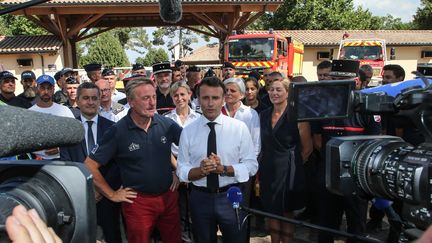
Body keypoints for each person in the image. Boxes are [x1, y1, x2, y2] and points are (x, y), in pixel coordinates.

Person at [84, 79, 182, 243]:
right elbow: (90, 165)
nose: (152, 103)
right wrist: (112, 194)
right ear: (130, 101)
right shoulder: (117, 131)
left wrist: (179, 172)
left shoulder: (167, 124)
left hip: (168, 198)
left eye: (153, 97)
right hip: (137, 203)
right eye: (145, 98)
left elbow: (191, 146)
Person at [176, 76, 258, 243]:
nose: (210, 103)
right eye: (205, 98)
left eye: (215, 98)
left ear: (223, 99)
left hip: (231, 195)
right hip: (200, 198)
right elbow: (181, 169)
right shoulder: (188, 131)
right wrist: (200, 171)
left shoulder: (238, 128)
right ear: (198, 99)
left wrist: (225, 169)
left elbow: (251, 165)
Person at [314, 60, 381, 243]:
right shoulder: (322, 107)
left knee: (356, 229)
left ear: (357, 82)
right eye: (334, 78)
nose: (337, 83)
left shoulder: (368, 107)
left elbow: (373, 143)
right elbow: (317, 140)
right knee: (325, 227)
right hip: (328, 176)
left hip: (356, 179)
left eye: (343, 80)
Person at [60, 82, 122, 243]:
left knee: (112, 236)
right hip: (79, 198)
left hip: (107, 197)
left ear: (100, 100)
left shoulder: (112, 128)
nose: (90, 102)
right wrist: (86, 190)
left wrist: (101, 190)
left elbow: (117, 164)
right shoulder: (68, 130)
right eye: (86, 98)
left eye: (94, 98)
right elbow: (67, 163)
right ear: (78, 101)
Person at [259, 78, 312, 243]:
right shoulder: (263, 115)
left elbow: (307, 148)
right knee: (271, 211)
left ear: (288, 93)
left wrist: (293, 165)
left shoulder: (298, 115)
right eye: (272, 89)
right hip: (268, 169)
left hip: (290, 170)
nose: (274, 93)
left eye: (279, 90)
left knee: (287, 212)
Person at [164, 81, 200, 243]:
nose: (179, 98)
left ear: (189, 95)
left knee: (196, 212)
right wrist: (179, 171)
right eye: (176, 95)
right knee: (178, 211)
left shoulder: (200, 118)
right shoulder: (166, 119)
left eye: (182, 94)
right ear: (172, 98)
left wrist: (191, 172)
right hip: (174, 168)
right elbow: (164, 148)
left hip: (197, 169)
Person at [29, 75, 74, 160]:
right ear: (37, 89)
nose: (46, 91)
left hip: (62, 159)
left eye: (49, 88)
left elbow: (74, 135)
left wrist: (59, 149)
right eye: (42, 88)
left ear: (53, 89)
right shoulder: (29, 113)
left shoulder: (64, 110)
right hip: (37, 161)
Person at [223, 77, 261, 157]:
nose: (228, 93)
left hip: (244, 162)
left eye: (232, 91)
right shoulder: (217, 112)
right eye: (226, 90)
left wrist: (249, 163)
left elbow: (256, 142)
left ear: (242, 95)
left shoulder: (251, 114)